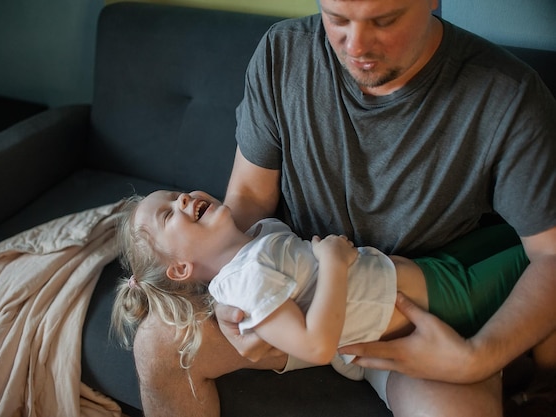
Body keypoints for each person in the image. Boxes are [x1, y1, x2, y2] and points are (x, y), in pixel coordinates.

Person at [133, 1, 556, 416]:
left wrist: (476, 358)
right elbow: (248, 198)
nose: (356, 45)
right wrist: (230, 304)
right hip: (294, 295)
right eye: (336, 19)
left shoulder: (507, 97)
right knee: (158, 343)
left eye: (383, 20)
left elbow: (550, 255)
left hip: (410, 314)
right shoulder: (284, 53)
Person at [112, 190, 539, 387]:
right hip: (438, 303)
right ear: (182, 269)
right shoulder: (244, 284)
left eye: (176, 194)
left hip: (431, 269)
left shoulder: (253, 241)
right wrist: (333, 265)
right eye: (169, 215)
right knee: (538, 258)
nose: (183, 199)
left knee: (530, 231)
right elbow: (315, 347)